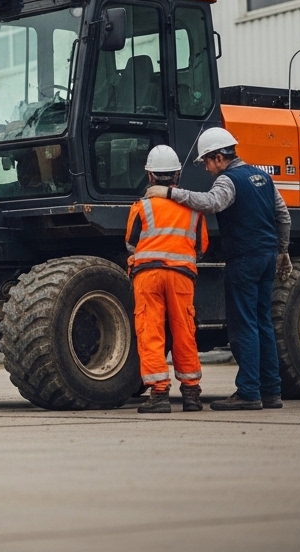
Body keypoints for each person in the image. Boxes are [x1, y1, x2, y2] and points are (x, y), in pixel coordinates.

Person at [161, 128, 291, 411]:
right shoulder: (264, 178)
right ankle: (271, 392)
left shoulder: (228, 180)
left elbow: (210, 203)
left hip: (244, 259)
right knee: (263, 324)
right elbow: (283, 216)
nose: (207, 168)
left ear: (219, 157)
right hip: (267, 257)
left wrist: (171, 192)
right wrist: (282, 251)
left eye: (206, 161)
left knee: (244, 326)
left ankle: (248, 393)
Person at [127, 145, 209, 414]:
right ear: (177, 175)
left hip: (148, 276)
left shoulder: (141, 207)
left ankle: (159, 394)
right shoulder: (194, 210)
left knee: (151, 332)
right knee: (185, 333)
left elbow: (130, 244)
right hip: (181, 277)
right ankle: (191, 395)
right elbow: (201, 246)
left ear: (150, 177)